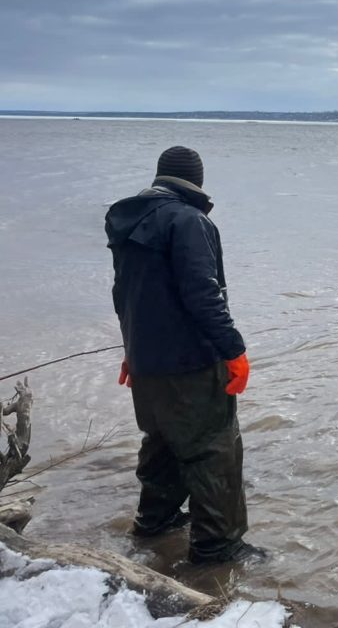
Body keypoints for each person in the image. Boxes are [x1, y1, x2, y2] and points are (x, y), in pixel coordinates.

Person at [105, 146, 263, 564]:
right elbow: (203, 294)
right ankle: (218, 547)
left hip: (146, 362)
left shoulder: (131, 219)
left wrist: (130, 351)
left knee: (160, 443)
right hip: (191, 363)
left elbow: (124, 295)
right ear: (197, 181)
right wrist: (235, 350)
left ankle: (154, 522)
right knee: (214, 449)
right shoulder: (189, 220)